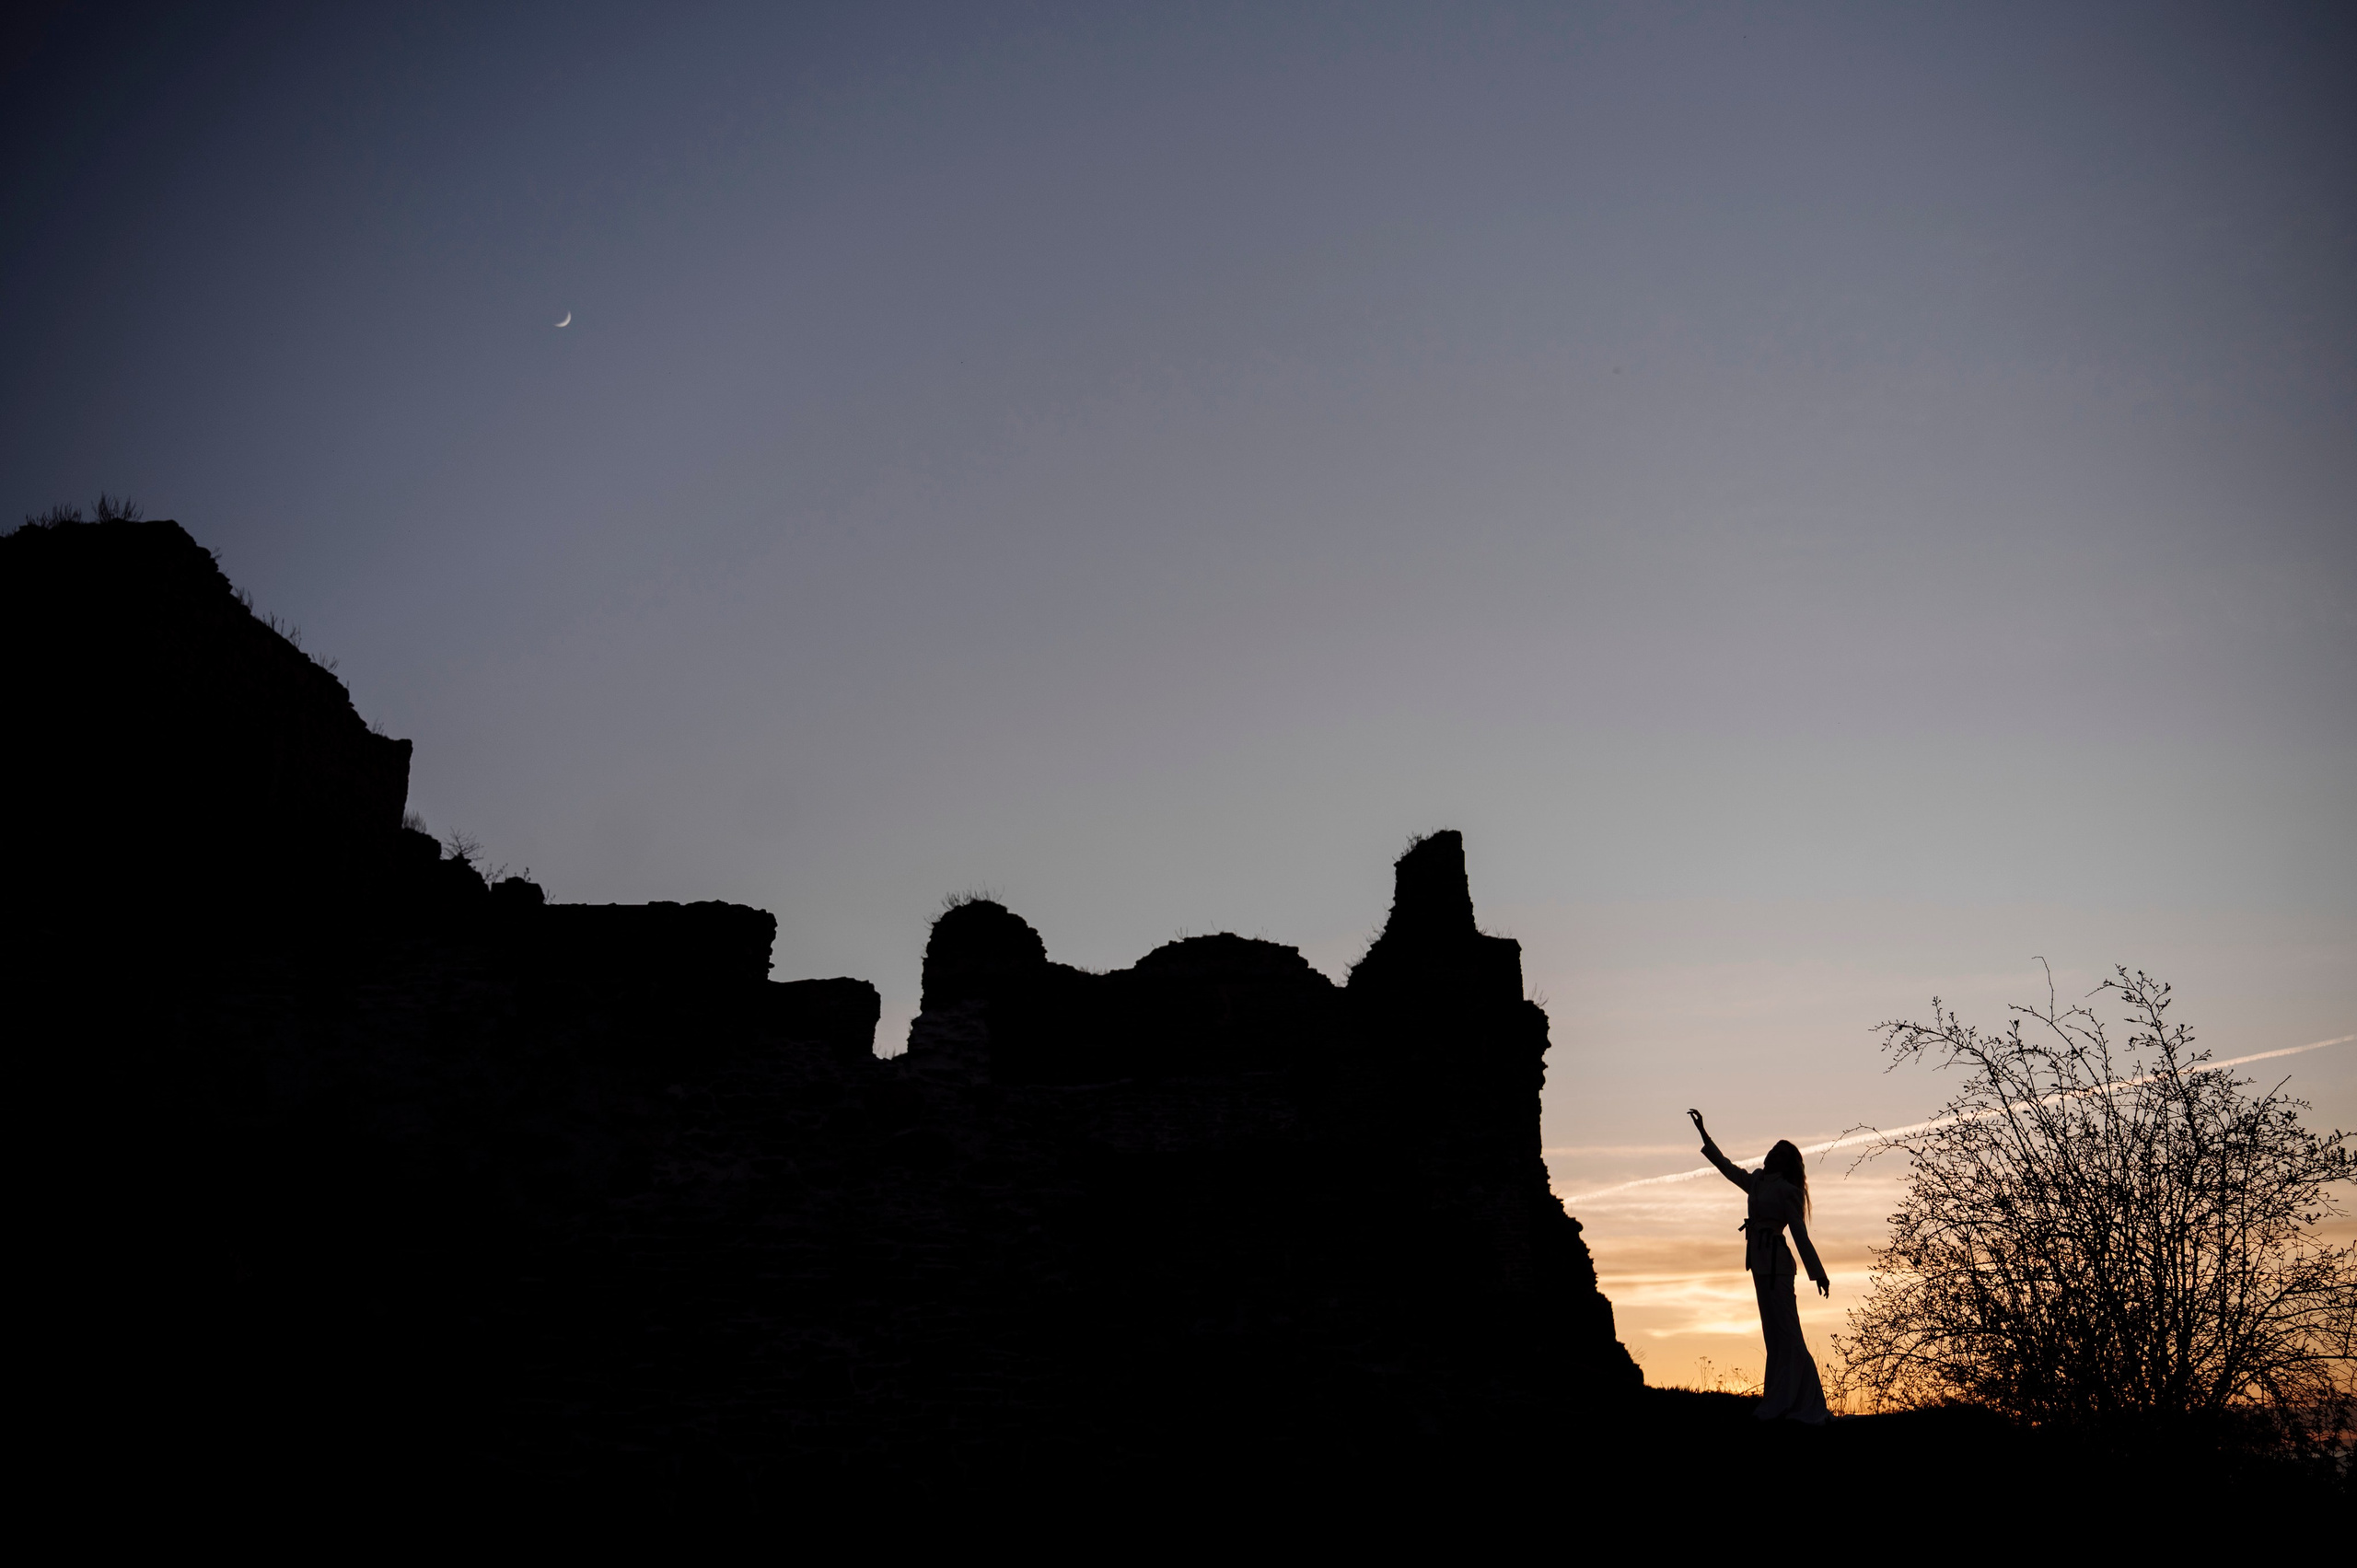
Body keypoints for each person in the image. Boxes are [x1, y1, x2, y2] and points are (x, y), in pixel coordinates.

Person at [1688, 1109, 1830, 1423]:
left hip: (1778, 1266)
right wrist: (1704, 1135)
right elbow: (1726, 1168)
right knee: (1775, 1337)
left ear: (1785, 1162)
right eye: (1771, 1150)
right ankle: (1783, 1399)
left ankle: (1798, 1402)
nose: (1770, 1154)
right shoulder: (1756, 1182)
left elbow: (1799, 1234)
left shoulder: (1787, 1191)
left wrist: (1817, 1273)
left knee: (1788, 1334)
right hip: (1760, 1265)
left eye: (1777, 1153)